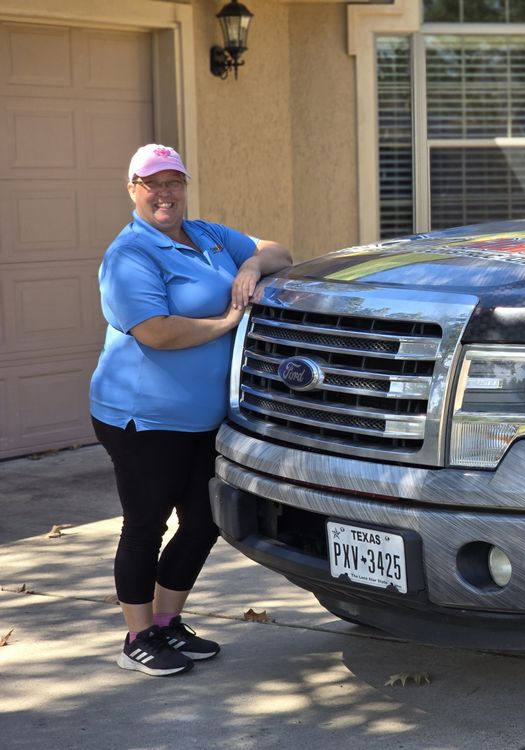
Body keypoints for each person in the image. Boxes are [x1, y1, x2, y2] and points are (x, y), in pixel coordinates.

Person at [90, 144, 292, 677]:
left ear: (184, 187)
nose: (165, 193)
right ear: (133, 189)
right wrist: (227, 322)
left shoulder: (207, 235)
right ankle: (137, 637)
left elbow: (279, 252)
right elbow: (156, 332)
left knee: (204, 521)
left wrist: (250, 266)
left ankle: (166, 621)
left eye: (173, 182)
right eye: (152, 183)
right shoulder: (130, 254)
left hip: (207, 417)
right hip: (144, 418)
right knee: (145, 525)